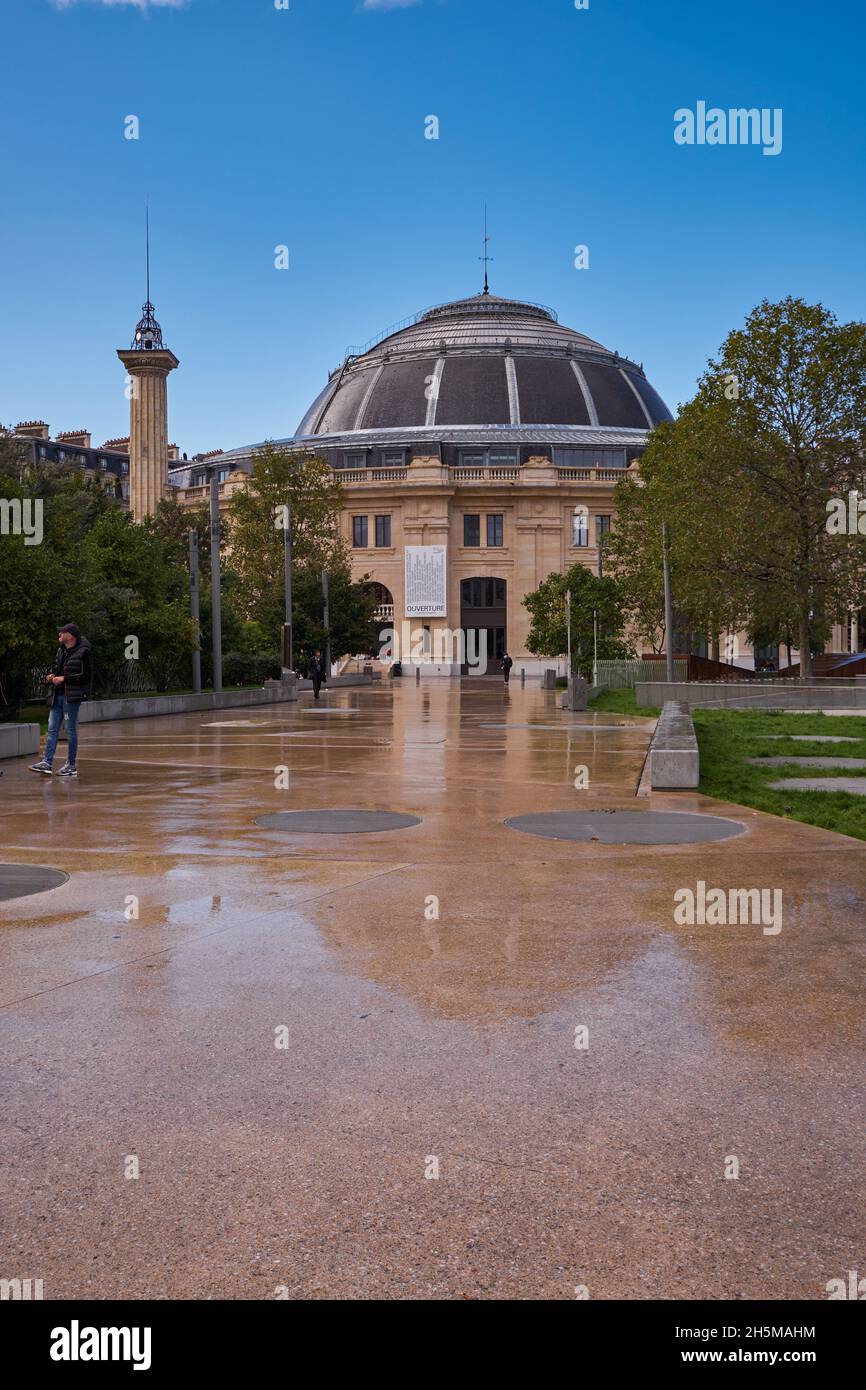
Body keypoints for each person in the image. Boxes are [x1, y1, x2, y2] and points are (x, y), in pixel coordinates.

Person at [30, 624, 93, 778]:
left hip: (70, 698)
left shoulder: (84, 652)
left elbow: (86, 676)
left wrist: (64, 679)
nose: (59, 633)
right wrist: (53, 676)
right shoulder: (61, 651)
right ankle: (47, 763)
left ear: (70, 636)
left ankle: (71, 765)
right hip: (56, 696)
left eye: (62, 632)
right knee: (52, 730)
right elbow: (58, 670)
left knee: (70, 731)